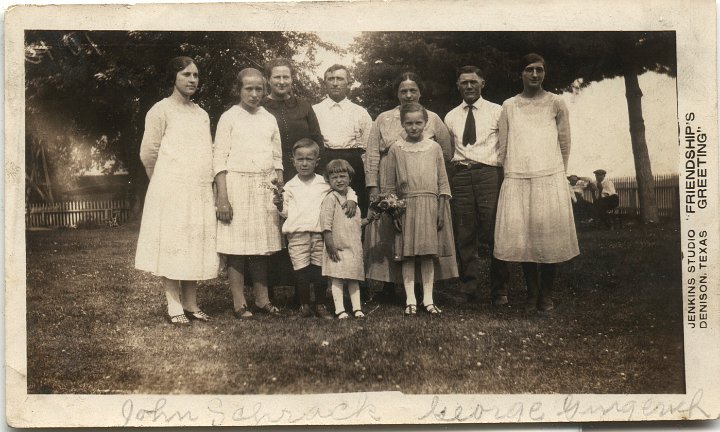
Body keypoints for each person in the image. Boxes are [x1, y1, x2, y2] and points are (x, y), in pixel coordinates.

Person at [135, 56, 219, 326]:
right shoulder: (160, 110)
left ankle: (191, 303)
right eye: (186, 74)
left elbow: (207, 152)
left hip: (198, 190)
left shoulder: (201, 114)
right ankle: (173, 304)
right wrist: (161, 182)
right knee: (173, 243)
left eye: (196, 75)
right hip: (170, 190)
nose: (192, 79)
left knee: (194, 242)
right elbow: (149, 152)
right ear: (174, 77)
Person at [494, 53, 580, 312]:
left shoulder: (556, 103)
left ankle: (547, 294)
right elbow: (504, 143)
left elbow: (564, 142)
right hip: (519, 178)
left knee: (548, 237)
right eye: (529, 69)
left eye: (539, 70)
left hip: (549, 177)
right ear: (521, 73)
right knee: (525, 238)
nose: (534, 75)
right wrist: (508, 173)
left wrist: (559, 174)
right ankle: (532, 293)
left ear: (544, 73)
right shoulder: (509, 105)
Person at [364, 72, 454, 296]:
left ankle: (427, 289)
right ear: (397, 93)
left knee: (424, 233)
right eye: (403, 91)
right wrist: (373, 187)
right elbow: (373, 152)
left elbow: (446, 150)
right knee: (390, 231)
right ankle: (389, 285)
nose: (408, 95)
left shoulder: (431, 117)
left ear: (420, 92)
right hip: (390, 180)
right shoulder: (383, 118)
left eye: (413, 90)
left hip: (422, 184)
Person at [213, 68, 283, 319]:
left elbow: (277, 157)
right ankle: (239, 302)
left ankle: (262, 300)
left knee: (260, 247)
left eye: (259, 89)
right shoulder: (229, 117)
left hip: (264, 186)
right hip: (236, 185)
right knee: (236, 248)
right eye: (248, 89)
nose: (254, 94)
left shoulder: (269, 118)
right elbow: (219, 159)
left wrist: (279, 189)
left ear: (265, 90)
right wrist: (222, 197)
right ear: (239, 90)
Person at [443, 65, 510, 306]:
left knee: (494, 231)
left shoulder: (497, 111)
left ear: (483, 83)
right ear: (458, 86)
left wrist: (499, 171)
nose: (469, 86)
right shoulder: (450, 116)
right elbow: (449, 149)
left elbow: (505, 145)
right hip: (461, 175)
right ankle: (469, 288)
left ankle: (499, 289)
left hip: (488, 174)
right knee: (465, 233)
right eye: (464, 82)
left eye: (473, 82)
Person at [383, 103, 458, 315]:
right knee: (408, 255)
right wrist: (393, 211)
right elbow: (389, 185)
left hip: (430, 205)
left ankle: (428, 299)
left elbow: (443, 182)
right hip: (405, 206)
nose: (414, 127)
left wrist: (442, 209)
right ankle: (410, 300)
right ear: (402, 124)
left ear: (425, 123)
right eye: (409, 123)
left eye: (418, 123)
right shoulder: (396, 149)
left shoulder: (433, 148)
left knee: (427, 254)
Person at [273, 138, 358, 319]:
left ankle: (320, 304)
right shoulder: (289, 186)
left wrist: (352, 198)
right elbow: (285, 213)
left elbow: (345, 189)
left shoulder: (324, 183)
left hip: (320, 233)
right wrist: (279, 206)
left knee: (320, 270)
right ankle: (304, 306)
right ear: (293, 161)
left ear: (317, 161)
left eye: (309, 159)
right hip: (297, 235)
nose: (304, 164)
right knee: (301, 270)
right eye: (300, 159)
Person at [313, 65, 373, 216]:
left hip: (353, 162)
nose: (335, 83)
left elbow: (368, 147)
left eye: (339, 79)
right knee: (325, 209)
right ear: (324, 83)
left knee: (353, 211)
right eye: (330, 79)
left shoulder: (360, 112)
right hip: (324, 161)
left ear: (348, 83)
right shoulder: (314, 110)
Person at [261, 58, 324, 181]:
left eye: (286, 77)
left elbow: (317, 140)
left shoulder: (304, 106)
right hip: (270, 172)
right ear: (268, 80)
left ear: (291, 79)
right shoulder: (260, 107)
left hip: (304, 172)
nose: (282, 81)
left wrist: (321, 173)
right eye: (277, 77)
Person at [321, 159, 365, 319]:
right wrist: (329, 243)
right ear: (328, 180)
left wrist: (369, 219)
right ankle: (339, 309)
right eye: (334, 177)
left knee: (353, 277)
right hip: (336, 246)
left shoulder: (352, 198)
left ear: (349, 178)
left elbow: (355, 221)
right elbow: (325, 223)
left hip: (352, 246)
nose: (339, 180)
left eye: (342, 176)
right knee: (337, 278)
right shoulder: (330, 199)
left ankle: (357, 308)